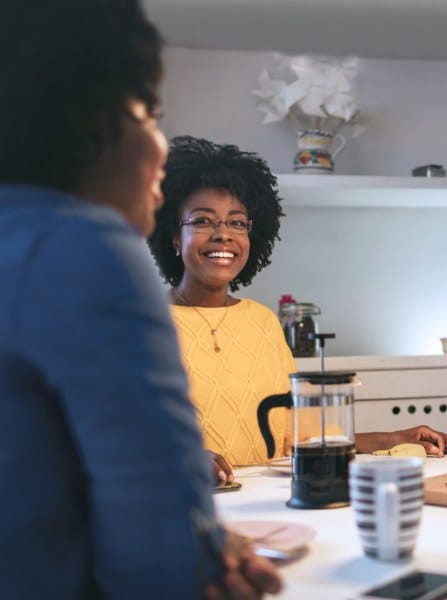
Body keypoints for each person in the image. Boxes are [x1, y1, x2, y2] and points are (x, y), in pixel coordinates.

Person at [0, 1, 281, 598]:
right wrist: (200, 557)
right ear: (91, 120)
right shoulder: (85, 247)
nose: (160, 146)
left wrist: (209, 543)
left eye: (237, 221)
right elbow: (160, 538)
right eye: (149, 113)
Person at [147, 135, 447, 480]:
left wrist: (393, 438)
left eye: (236, 222)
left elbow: (298, 439)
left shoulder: (263, 322)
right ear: (174, 236)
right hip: (185, 509)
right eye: (203, 220)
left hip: (262, 506)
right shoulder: (143, 324)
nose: (223, 234)